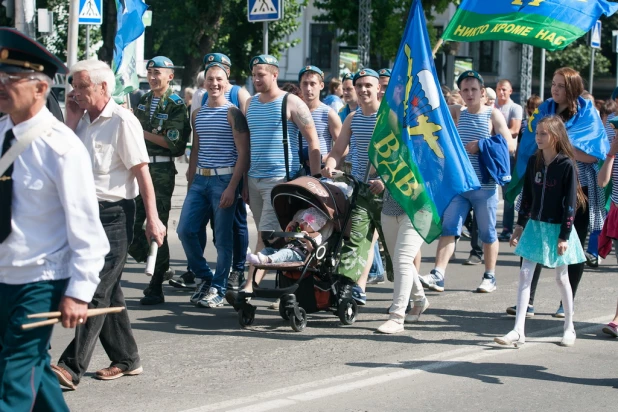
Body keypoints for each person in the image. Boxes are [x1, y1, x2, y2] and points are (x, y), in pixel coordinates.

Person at [0, 28, 109, 411]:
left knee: (15, 376)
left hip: (40, 280)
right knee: (29, 370)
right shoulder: (1, 134)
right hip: (4, 275)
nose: (1, 86)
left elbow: (88, 231)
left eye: (11, 79)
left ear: (40, 89)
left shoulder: (61, 148)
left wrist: (79, 291)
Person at [53, 60, 166, 389]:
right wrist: (71, 120)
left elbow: (142, 172)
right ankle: (128, 358)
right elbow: (61, 156)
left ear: (103, 87)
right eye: (73, 86)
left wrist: (154, 219)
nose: (75, 92)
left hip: (115, 214)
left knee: (95, 290)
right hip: (82, 215)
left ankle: (71, 366)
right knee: (111, 290)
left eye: (82, 86)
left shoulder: (122, 121)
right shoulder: (81, 119)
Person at [505, 67, 608, 318]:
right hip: (543, 181)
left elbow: (594, 154)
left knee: (573, 244)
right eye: (553, 84)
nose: (555, 89)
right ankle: (526, 301)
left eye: (561, 85)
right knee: (533, 240)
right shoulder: (545, 110)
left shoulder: (588, 114)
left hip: (578, 186)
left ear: (572, 88)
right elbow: (532, 143)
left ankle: (566, 303)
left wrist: (560, 150)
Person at [495, 116, 586, 348]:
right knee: (525, 274)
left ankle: (569, 327)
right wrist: (519, 226)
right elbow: (526, 197)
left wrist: (565, 235)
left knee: (561, 277)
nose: (538, 137)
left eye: (543, 134)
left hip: (558, 227)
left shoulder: (566, 164)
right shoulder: (534, 160)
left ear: (554, 137)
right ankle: (518, 330)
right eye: (537, 133)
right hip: (535, 225)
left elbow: (570, 204)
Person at [420, 70, 513, 293]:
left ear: (482, 92)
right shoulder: (456, 112)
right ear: (460, 92)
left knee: (488, 233)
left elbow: (511, 145)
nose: (469, 94)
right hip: (459, 186)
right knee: (449, 229)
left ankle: (489, 276)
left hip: (485, 187)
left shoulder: (492, 115)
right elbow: (431, 109)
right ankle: (438, 274)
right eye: (465, 90)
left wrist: (482, 145)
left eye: (473, 89)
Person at [235, 54, 321, 296]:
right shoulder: (250, 103)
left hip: (280, 182)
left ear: (274, 75)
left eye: (260, 75)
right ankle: (286, 283)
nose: (256, 79)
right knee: (274, 236)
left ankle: (250, 285)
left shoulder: (292, 102)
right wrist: (244, 182)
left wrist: (317, 181)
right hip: (254, 180)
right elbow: (248, 147)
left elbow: (313, 141)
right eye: (253, 75)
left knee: (266, 234)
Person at [170, 53, 251, 293]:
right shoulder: (198, 113)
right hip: (200, 180)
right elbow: (196, 147)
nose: (214, 84)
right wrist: (191, 177)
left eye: (219, 80)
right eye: (210, 80)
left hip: (224, 179)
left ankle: (218, 287)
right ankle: (205, 275)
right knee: (185, 230)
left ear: (227, 83)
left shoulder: (233, 112)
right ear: (204, 83)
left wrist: (233, 187)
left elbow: (243, 153)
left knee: (223, 239)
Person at [321, 69, 394, 305]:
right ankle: (357, 288)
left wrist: (385, 180)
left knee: (396, 246)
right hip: (362, 190)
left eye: (368, 85)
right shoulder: (352, 118)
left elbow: (402, 155)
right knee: (359, 238)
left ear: (378, 89)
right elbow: (338, 150)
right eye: (359, 85)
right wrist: (331, 164)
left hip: (390, 192)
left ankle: (412, 294)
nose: (363, 90)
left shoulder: (389, 117)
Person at [129, 56, 190, 306]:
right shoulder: (143, 100)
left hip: (161, 172)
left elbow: (174, 144)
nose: (153, 77)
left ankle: (155, 286)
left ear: (170, 76)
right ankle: (159, 267)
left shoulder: (175, 105)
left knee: (157, 226)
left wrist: (137, 130)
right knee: (132, 226)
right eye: (150, 72)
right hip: (139, 167)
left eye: (158, 73)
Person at [376, 188, 430, 334]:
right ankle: (420, 300)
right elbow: (373, 171)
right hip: (389, 210)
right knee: (399, 260)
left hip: (418, 208)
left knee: (402, 260)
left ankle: (397, 317)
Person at [246, 207, 333, 264]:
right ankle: (258, 258)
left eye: (307, 223)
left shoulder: (317, 236)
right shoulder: (297, 230)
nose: (302, 223)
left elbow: (313, 251)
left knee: (286, 253)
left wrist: (307, 240)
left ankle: (267, 259)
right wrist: (288, 228)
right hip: (287, 249)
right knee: (269, 249)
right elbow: (286, 240)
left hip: (299, 255)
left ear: (315, 228)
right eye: (302, 220)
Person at [297, 65, 342, 170]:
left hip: (321, 170)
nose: (308, 88)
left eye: (313, 84)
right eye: (305, 84)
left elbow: (343, 148)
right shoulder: (293, 111)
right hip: (296, 170)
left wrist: (324, 159)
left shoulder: (328, 113)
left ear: (321, 85)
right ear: (300, 85)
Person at [495, 79, 523, 242]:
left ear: (510, 91)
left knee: (507, 194)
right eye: (499, 89)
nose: (501, 92)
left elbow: (514, 129)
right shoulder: (492, 107)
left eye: (504, 89)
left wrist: (496, 133)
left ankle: (507, 227)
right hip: (491, 155)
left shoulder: (514, 108)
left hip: (507, 155)